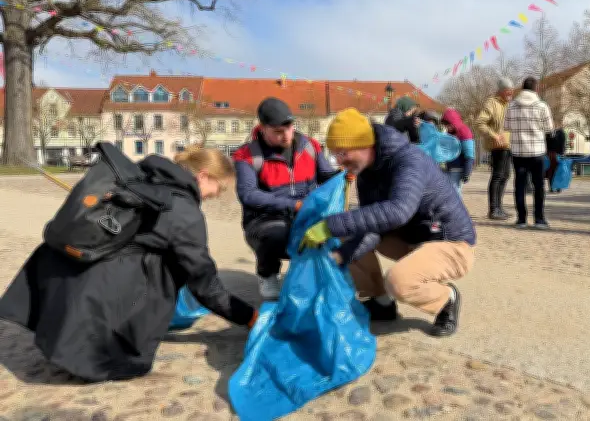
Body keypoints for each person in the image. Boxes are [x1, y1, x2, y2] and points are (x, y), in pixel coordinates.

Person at [0, 147, 258, 382]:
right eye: (220, 188)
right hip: (103, 291)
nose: (217, 196)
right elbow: (204, 282)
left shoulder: (145, 177)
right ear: (203, 176)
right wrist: (249, 316)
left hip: (67, 274)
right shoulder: (184, 212)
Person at [298, 108, 476, 337]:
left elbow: (398, 211)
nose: (339, 162)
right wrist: (341, 256)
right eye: (335, 155)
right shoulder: (367, 172)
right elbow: (373, 225)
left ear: (364, 145)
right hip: (411, 239)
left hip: (450, 242)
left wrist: (328, 225)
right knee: (345, 238)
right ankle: (382, 302)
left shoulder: (409, 160)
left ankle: (446, 298)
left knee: (399, 281)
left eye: (343, 153)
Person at [232, 97, 337, 300]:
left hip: (305, 213)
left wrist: (345, 173)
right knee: (277, 235)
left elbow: (326, 175)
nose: (286, 135)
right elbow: (248, 194)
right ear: (263, 128)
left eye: (289, 128)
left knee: (336, 230)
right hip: (264, 219)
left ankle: (306, 274)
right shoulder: (246, 155)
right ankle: (267, 274)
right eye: (278, 132)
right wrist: (293, 204)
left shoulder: (310, 146)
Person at [504, 77, 554, 228]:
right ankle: (539, 219)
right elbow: (549, 128)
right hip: (537, 151)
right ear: (535, 89)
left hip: (518, 151)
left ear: (522, 88)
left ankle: (521, 219)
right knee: (539, 186)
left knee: (519, 185)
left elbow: (506, 127)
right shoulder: (542, 106)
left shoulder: (511, 106)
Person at [475, 77, 515, 219]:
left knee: (506, 175)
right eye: (508, 90)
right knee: (497, 176)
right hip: (497, 146)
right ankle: (493, 209)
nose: (511, 93)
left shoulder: (510, 104)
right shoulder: (492, 103)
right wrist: (494, 135)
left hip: (509, 145)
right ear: (501, 91)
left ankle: (499, 207)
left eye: (512, 90)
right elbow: (479, 123)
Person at [440, 108, 475, 194]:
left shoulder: (464, 131)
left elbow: (469, 153)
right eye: (445, 125)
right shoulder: (450, 133)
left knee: (454, 193)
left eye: (448, 125)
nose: (447, 127)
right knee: (450, 192)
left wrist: (467, 172)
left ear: (453, 122)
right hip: (450, 167)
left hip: (458, 168)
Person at [545, 125, 566, 193]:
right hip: (559, 154)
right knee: (559, 171)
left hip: (550, 154)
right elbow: (563, 145)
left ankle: (552, 187)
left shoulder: (548, 133)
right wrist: (563, 154)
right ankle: (558, 187)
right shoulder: (561, 133)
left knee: (551, 171)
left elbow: (546, 144)